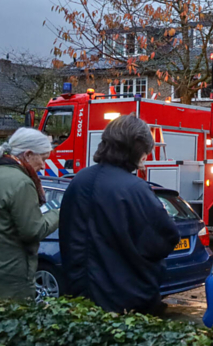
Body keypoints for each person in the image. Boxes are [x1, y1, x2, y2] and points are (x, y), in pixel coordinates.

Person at [59, 115, 180, 314]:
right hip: (124, 302)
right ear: (136, 149)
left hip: (80, 298)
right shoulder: (134, 189)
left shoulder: (79, 180)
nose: (146, 157)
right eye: (145, 152)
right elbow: (164, 238)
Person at [0, 128, 60, 300]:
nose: (44, 166)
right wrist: (58, 213)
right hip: (7, 282)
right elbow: (33, 230)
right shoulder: (22, 183)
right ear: (28, 154)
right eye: (43, 159)